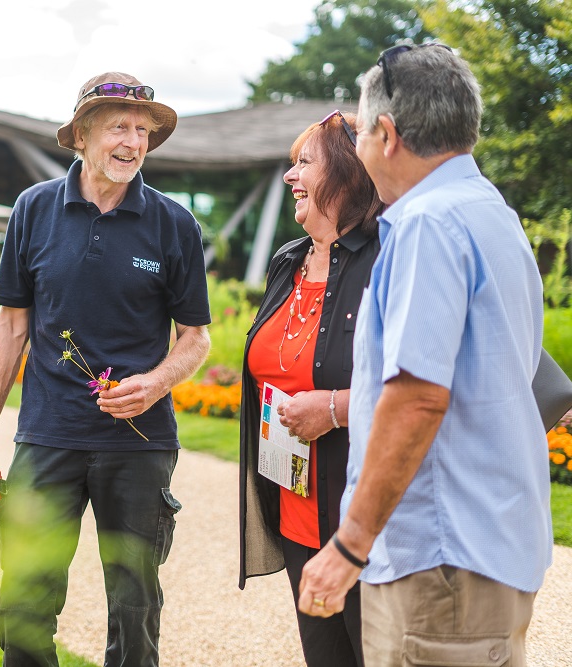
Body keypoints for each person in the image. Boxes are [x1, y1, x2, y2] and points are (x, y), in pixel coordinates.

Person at [297, 44, 552, 667]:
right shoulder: (494, 214)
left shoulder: (427, 225)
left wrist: (349, 546)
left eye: (359, 132)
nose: (357, 147)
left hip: (439, 560)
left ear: (387, 134)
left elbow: (416, 397)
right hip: (491, 544)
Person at [0, 72, 211, 667]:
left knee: (135, 604)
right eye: (118, 126)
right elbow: (11, 325)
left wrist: (157, 382)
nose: (133, 142)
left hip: (141, 443)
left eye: (143, 130)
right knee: (23, 597)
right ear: (82, 134)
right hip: (48, 436)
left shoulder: (175, 223)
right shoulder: (35, 209)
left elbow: (195, 339)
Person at [238, 110, 382, 667]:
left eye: (303, 163)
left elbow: (433, 383)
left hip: (365, 522)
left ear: (347, 174)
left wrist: (338, 407)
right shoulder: (288, 262)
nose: (288, 177)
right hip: (295, 509)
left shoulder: (386, 257)